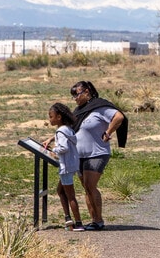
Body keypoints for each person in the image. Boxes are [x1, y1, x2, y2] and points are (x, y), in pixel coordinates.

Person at [70, 81, 128, 231]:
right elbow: (69, 129)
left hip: (97, 153)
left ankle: (99, 220)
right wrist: (52, 139)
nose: (75, 98)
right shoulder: (79, 111)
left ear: (87, 91)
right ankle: (94, 220)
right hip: (80, 155)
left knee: (90, 185)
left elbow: (119, 117)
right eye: (73, 95)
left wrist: (108, 132)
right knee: (86, 187)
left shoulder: (100, 107)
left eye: (77, 94)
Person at [46, 102, 85, 231]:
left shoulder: (60, 131)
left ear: (59, 117)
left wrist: (54, 151)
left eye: (51, 117)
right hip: (72, 164)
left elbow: (64, 147)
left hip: (66, 166)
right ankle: (68, 218)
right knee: (60, 190)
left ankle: (78, 223)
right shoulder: (68, 128)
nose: (50, 120)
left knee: (70, 195)